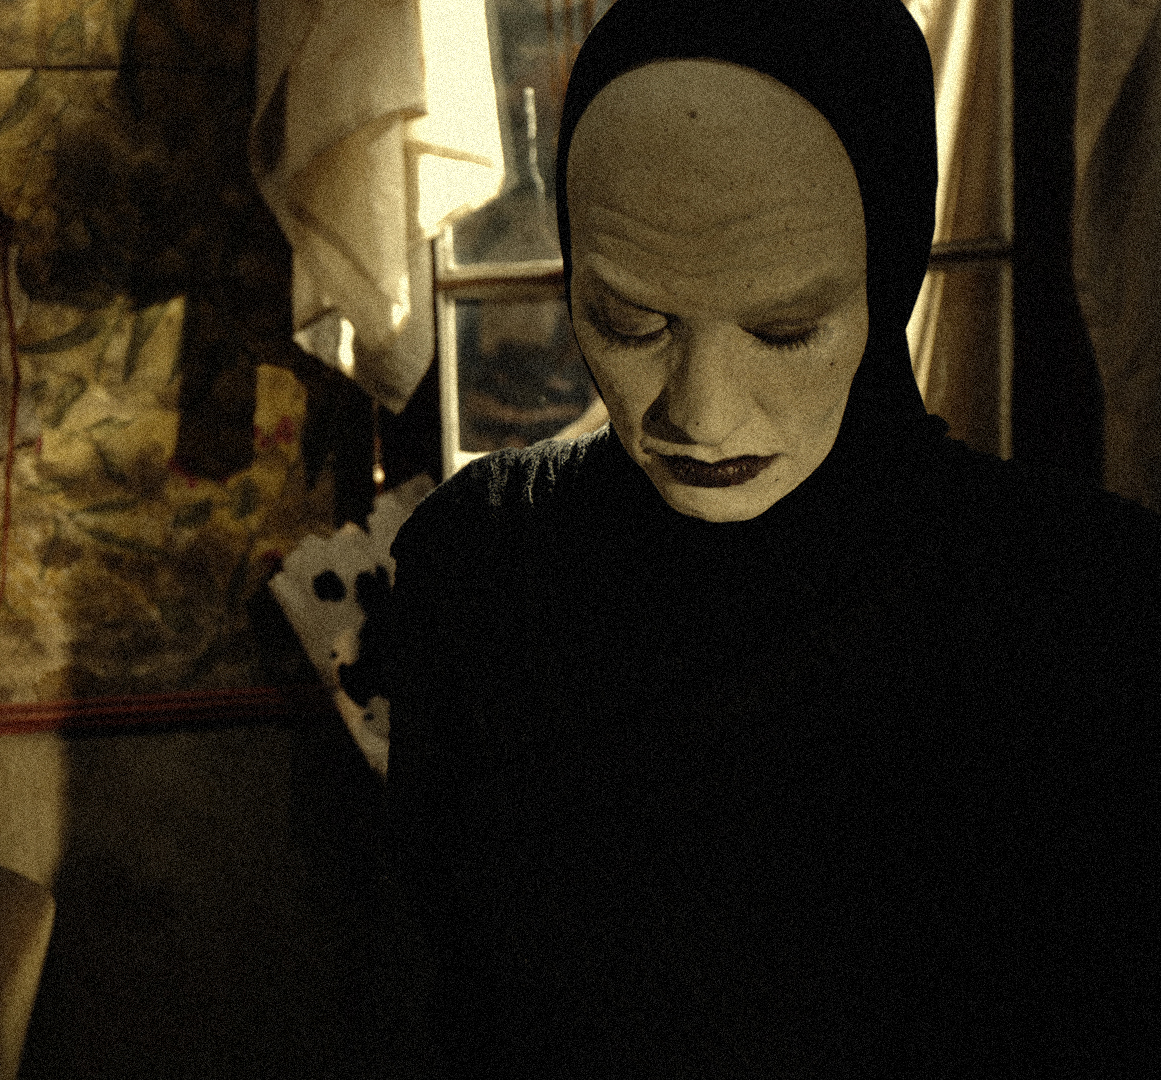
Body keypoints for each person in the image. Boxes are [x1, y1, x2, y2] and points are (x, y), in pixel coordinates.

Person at [377, 0, 1161, 1075]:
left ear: (889, 278)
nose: (699, 415)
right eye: (629, 322)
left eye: (786, 330)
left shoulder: (1086, 613)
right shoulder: (479, 574)